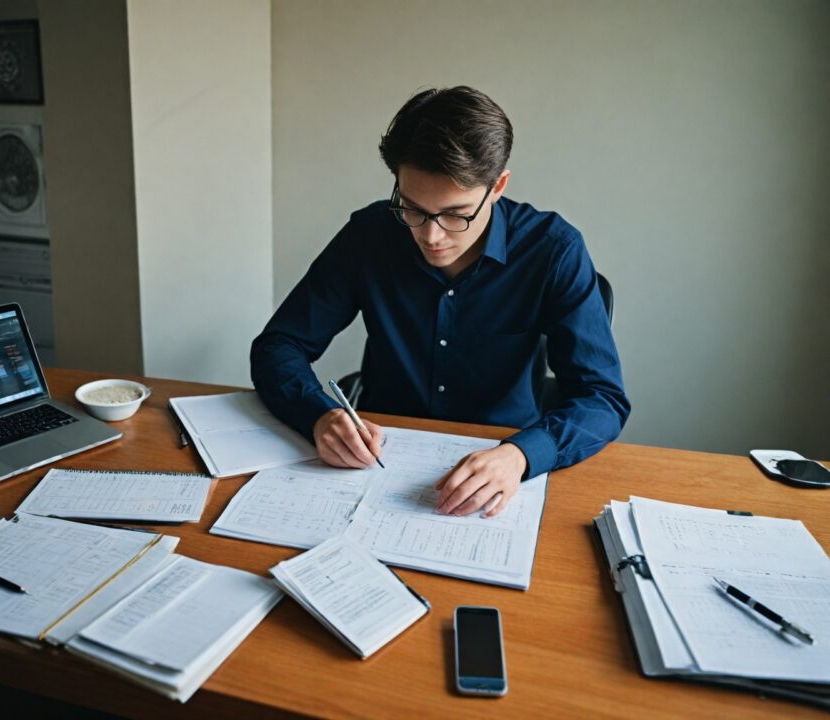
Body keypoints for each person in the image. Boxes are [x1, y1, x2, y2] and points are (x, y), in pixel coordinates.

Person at [251, 86, 630, 518]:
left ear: (498, 186)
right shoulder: (370, 235)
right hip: (373, 464)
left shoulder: (553, 250)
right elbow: (278, 346)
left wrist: (521, 456)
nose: (431, 237)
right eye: (412, 208)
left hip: (501, 465)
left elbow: (601, 397)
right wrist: (318, 415)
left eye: (455, 214)